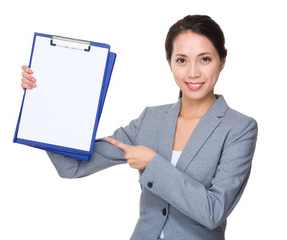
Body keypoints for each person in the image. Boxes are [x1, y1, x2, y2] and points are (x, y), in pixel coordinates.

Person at [21, 15, 258, 240]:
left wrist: (153, 163)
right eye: (182, 60)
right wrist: (45, 98)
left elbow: (213, 211)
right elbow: (73, 166)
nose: (193, 72)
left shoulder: (239, 128)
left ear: (222, 61)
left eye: (204, 59)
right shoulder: (150, 119)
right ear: (170, 63)